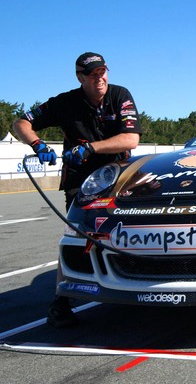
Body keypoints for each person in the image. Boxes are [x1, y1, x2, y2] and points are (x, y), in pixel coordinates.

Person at [12, 52, 142, 327]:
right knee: (77, 235)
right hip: (81, 180)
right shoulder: (65, 102)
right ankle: (61, 300)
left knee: (129, 231)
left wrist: (90, 148)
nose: (100, 79)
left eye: (103, 72)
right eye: (93, 75)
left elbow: (131, 138)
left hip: (120, 175)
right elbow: (20, 122)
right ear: (80, 78)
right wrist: (37, 145)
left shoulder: (120, 96)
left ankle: (139, 281)